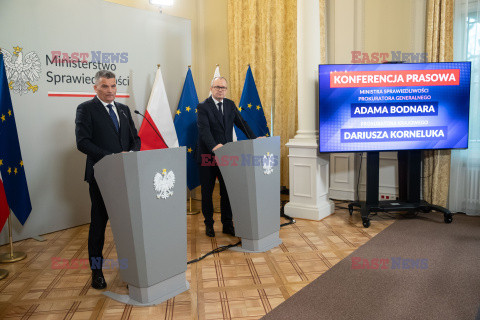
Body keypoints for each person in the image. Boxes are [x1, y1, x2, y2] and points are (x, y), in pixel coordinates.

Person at [75, 70, 141, 289]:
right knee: (98, 225)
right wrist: (112, 157)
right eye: (105, 86)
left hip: (126, 175)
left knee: (129, 224)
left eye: (113, 86)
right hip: (101, 175)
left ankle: (133, 269)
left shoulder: (123, 109)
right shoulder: (86, 109)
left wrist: (131, 153)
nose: (110, 90)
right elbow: (82, 143)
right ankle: (97, 272)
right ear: (95, 88)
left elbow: (135, 139)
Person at [196, 77, 256, 237]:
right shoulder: (203, 107)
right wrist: (214, 146)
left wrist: (254, 139)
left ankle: (227, 224)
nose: (221, 90)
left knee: (227, 191)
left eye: (223, 87)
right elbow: (204, 130)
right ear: (211, 88)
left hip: (226, 157)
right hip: (208, 156)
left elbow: (241, 123)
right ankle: (209, 224)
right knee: (207, 192)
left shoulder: (230, 105)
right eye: (217, 87)